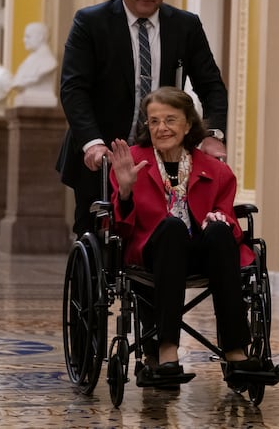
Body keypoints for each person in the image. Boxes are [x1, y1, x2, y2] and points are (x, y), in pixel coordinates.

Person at [57, 0, 228, 237]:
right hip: (102, 156)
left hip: (163, 157)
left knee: (161, 236)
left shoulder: (185, 26)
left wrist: (213, 136)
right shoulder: (90, 22)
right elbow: (74, 89)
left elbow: (212, 86)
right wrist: (92, 143)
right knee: (96, 237)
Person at [109, 86, 257, 386]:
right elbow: (120, 230)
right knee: (172, 228)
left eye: (170, 120)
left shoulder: (217, 171)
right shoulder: (132, 163)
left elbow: (229, 217)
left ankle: (235, 350)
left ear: (188, 124)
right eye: (154, 121)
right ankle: (167, 349)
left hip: (205, 254)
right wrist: (125, 191)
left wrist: (222, 219)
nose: (161, 128)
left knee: (218, 231)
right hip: (153, 252)